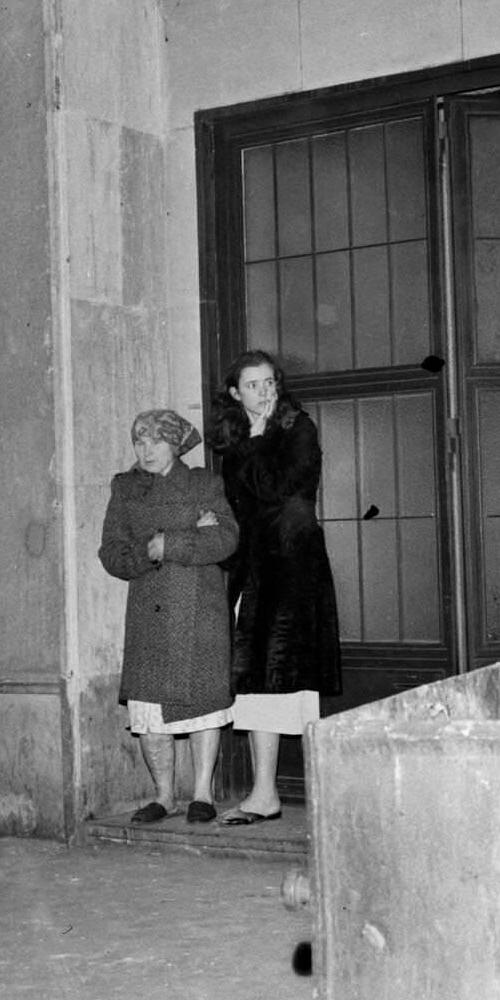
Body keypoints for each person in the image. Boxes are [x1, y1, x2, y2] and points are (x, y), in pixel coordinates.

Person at [208, 350, 342, 825]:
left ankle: (316, 795)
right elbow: (239, 508)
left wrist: (262, 436)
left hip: (292, 569)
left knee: (290, 680)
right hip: (254, 572)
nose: (265, 392)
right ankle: (264, 793)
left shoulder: (296, 428)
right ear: (234, 393)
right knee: (257, 683)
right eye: (253, 385)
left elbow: (279, 487)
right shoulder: (235, 439)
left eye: (270, 382)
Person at [98, 409, 239, 825]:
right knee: (149, 712)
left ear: (176, 444)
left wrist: (171, 542)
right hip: (149, 610)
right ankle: (162, 796)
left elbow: (226, 537)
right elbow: (111, 552)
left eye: (157, 441)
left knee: (203, 704)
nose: (147, 451)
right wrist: (149, 551)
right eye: (139, 442)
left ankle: (202, 794)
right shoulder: (125, 489)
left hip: (199, 610)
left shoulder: (203, 483)